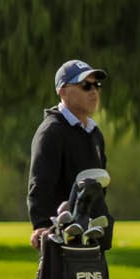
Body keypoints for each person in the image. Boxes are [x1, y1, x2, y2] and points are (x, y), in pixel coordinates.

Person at [27, 59, 111, 248]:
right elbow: (40, 183)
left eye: (96, 85)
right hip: (62, 238)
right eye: (85, 85)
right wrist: (41, 224)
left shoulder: (95, 133)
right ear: (63, 91)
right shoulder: (52, 132)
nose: (93, 91)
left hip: (93, 234)